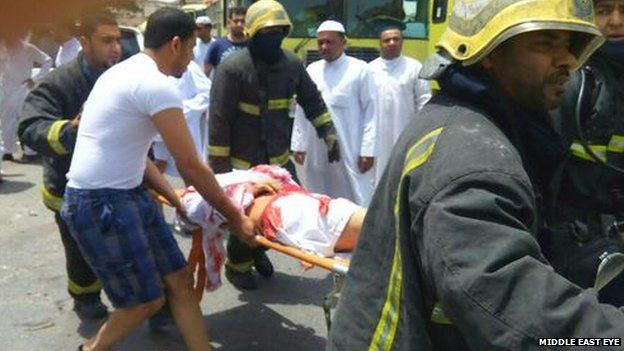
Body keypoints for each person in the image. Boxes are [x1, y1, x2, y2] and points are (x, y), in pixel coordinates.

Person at [326, 0, 624, 349]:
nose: (568, 59)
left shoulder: (495, 124)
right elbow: (518, 314)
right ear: (489, 53)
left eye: (570, 44)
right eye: (546, 43)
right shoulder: (473, 159)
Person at [59, 8, 255, 350]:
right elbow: (191, 165)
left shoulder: (121, 74)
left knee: (179, 279)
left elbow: (139, 157)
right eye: (192, 47)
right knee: (143, 302)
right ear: (176, 44)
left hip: (127, 194)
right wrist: (236, 218)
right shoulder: (156, 86)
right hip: (99, 202)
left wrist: (179, 201)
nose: (194, 55)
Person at [208, 0, 340, 290]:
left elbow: (312, 100)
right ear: (253, 34)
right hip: (244, 164)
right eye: (267, 32)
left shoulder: (291, 64)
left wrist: (328, 132)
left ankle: (258, 250)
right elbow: (218, 122)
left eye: (279, 32)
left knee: (282, 215)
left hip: (279, 162)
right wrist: (220, 172)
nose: (274, 38)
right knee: (247, 216)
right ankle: (237, 266)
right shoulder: (233, 68)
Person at [18, 12, 121, 320]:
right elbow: (30, 126)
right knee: (80, 249)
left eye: (118, 40)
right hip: (68, 188)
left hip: (116, 182)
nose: (116, 48)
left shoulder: (121, 77)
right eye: (107, 41)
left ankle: (145, 299)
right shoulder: (60, 81)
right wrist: (71, 131)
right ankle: (85, 295)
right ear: (85, 43)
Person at [543, 0, 624, 306]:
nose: (615, 21)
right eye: (604, 10)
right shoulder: (569, 83)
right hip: (575, 247)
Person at [180, 165, 365, 290]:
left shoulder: (254, 179)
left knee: (357, 223)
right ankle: (239, 267)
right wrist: (248, 193)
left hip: (290, 206)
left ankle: (256, 254)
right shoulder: (205, 195)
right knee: (362, 223)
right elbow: (186, 204)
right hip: (286, 212)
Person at [292, 20, 377, 206]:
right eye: (321, 42)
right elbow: (301, 110)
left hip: (351, 147)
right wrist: (298, 144)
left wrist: (368, 150)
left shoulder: (361, 69)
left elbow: (372, 112)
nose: (324, 46)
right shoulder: (312, 70)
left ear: (343, 42)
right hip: (316, 147)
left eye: (330, 42)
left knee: (354, 197)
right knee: (316, 195)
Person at [368, 25, 431, 184]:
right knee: (375, 177)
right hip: (376, 135)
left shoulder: (415, 67)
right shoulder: (369, 70)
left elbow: (424, 99)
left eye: (396, 39)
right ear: (380, 43)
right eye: (387, 40)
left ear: (402, 42)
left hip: (405, 132)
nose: (392, 43)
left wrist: (420, 129)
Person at [152, 59, 211, 177]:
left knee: (189, 169)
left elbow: (208, 93)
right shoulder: (150, 70)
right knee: (159, 166)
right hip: (160, 128)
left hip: (185, 128)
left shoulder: (189, 67)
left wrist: (181, 110)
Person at [0, 33, 51, 163]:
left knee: (24, 120)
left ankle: (30, 152)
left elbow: (47, 60)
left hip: (23, 88)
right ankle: (8, 150)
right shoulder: (2, 47)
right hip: (6, 89)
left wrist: (36, 78)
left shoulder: (28, 48)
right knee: (7, 122)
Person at [203, 6, 247, 79]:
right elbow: (205, 75)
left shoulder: (253, 45)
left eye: (242, 21)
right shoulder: (217, 46)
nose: (239, 24)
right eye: (236, 21)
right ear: (229, 22)